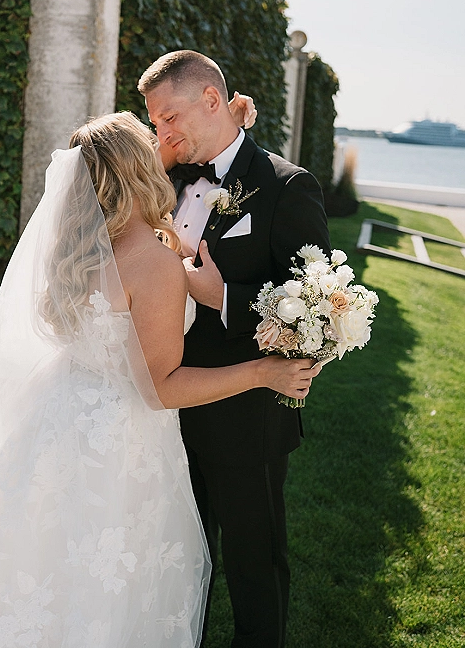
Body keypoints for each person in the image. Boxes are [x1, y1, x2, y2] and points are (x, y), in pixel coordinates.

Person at [0, 112, 320, 647]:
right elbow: (160, 387)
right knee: (103, 582)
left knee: (15, 561)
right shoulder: (153, 262)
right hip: (118, 438)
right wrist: (261, 371)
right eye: (151, 146)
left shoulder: (71, 251)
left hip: (51, 414)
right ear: (138, 169)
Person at [139, 50, 331, 648]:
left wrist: (223, 293)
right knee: (173, 561)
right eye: (154, 122)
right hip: (160, 408)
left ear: (212, 99)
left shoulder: (286, 186)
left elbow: (317, 309)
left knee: (254, 566)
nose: (162, 132)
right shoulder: (164, 175)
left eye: (170, 116)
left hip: (247, 415)